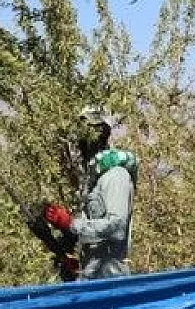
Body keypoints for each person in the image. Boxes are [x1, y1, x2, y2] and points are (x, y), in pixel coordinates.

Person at [42, 106, 137, 280]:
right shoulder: (91, 180)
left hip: (110, 279)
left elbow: (117, 228)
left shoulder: (115, 176)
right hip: (90, 277)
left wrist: (71, 224)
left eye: (89, 133)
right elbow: (89, 231)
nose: (82, 141)